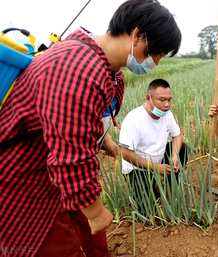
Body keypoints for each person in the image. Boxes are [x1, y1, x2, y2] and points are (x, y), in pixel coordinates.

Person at [0, 0, 181, 256]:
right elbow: (70, 160)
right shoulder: (78, 69)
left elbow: (76, 121)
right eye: (156, 54)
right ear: (137, 34)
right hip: (22, 184)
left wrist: (101, 139)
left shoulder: (106, 68)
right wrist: (95, 212)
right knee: (63, 247)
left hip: (52, 175)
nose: (156, 63)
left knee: (93, 240)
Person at [119, 79, 188, 209]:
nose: (167, 104)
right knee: (147, 209)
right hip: (138, 169)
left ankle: (171, 187)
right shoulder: (134, 119)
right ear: (148, 98)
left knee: (183, 149)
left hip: (158, 161)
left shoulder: (167, 114)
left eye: (169, 100)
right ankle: (150, 187)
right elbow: (125, 153)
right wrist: (156, 167)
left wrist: (174, 156)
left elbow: (177, 135)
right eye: (162, 100)